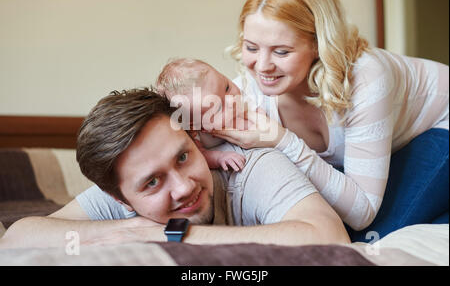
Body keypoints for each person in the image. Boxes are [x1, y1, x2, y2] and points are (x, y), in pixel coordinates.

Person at [208, 0, 449, 242]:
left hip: (442, 123)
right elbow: (193, 134)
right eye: (252, 47)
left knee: (366, 236)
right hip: (395, 145)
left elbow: (362, 211)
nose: (262, 66)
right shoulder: (249, 88)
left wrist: (281, 139)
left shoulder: (366, 77)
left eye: (281, 51)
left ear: (318, 44)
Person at [0, 88, 350, 248]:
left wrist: (170, 234)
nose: (183, 187)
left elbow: (329, 236)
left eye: (183, 157)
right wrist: (126, 231)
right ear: (119, 198)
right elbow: (18, 237)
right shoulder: (120, 196)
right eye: (152, 182)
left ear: (194, 140)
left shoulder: (251, 165)